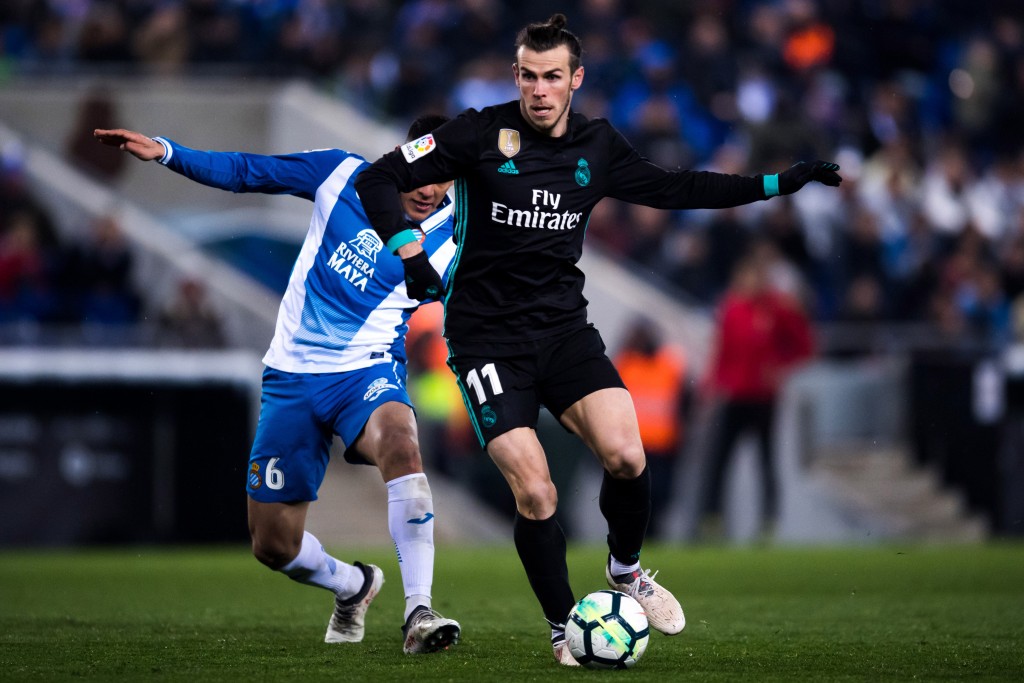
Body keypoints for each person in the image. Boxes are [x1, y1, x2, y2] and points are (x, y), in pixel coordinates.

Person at [354, 13, 841, 666]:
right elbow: (378, 177)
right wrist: (409, 247)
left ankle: (626, 568)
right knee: (537, 491)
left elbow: (678, 188)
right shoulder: (476, 132)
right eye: (528, 75)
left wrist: (778, 182)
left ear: (576, 79)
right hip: (487, 341)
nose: (539, 89)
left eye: (553, 76)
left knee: (628, 454)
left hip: (563, 331)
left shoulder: (597, 146)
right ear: (517, 77)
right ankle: (564, 630)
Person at [93, 117, 462, 654]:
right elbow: (247, 171)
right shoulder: (340, 175)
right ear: (403, 157)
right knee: (273, 545)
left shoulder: (460, 234)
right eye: (423, 171)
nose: (430, 188)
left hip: (366, 371)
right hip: (291, 376)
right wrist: (168, 152)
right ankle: (351, 584)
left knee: (403, 447)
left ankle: (419, 611)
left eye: (446, 174)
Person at [701, 243, 816, 540]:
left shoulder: (778, 308)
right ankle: (712, 518)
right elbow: (722, 352)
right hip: (735, 395)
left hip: (764, 398)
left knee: (765, 460)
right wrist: (712, 386)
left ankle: (768, 520)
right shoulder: (733, 308)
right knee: (719, 460)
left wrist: (780, 367)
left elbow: (804, 344)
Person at [612, 318, 688, 539]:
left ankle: (652, 535)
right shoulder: (625, 363)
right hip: (633, 446)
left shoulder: (669, 364)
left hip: (661, 445)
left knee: (658, 496)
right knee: (634, 498)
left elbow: (684, 401)